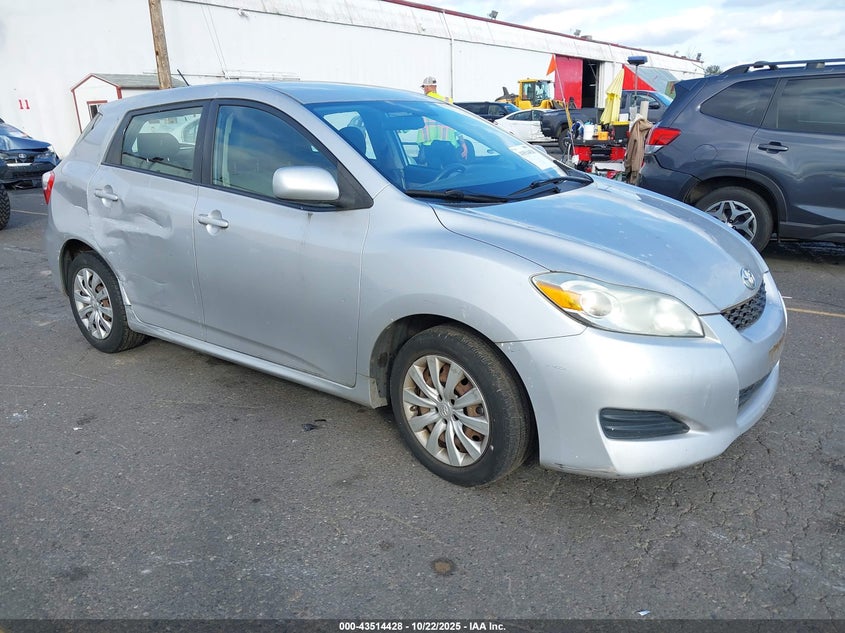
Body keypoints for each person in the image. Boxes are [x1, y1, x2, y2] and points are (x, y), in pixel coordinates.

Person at [418, 76, 468, 162]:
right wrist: (463, 144)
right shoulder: (447, 101)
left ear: (427, 87)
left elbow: (410, 123)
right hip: (448, 145)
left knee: (433, 169)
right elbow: (456, 125)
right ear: (435, 87)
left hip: (429, 146)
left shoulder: (421, 103)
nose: (424, 89)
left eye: (424, 87)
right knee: (451, 169)